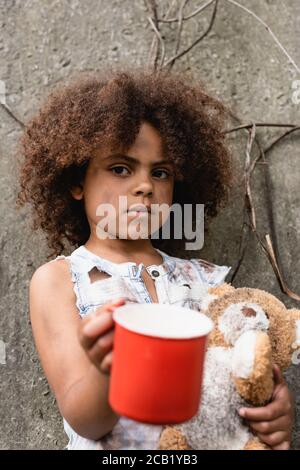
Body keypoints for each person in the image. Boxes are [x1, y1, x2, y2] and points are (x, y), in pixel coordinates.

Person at [16, 67, 294, 450]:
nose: (145, 185)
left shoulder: (204, 281)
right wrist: (108, 368)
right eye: (120, 168)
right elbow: (85, 419)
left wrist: (276, 412)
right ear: (76, 181)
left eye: (161, 173)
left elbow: (243, 378)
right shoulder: (61, 280)